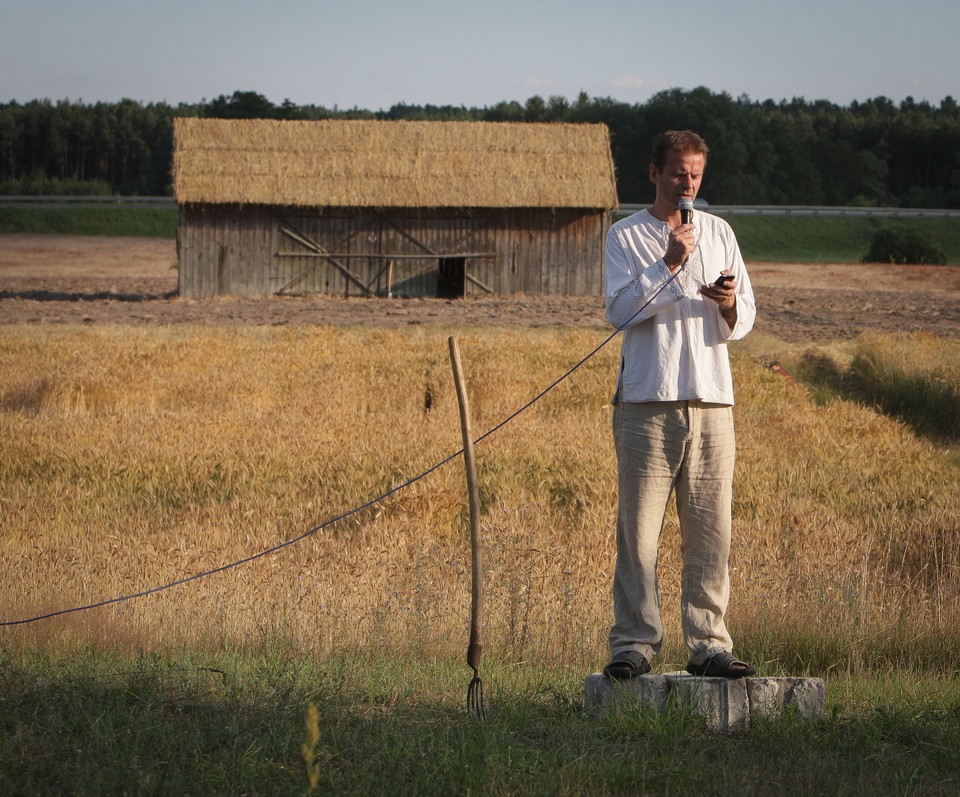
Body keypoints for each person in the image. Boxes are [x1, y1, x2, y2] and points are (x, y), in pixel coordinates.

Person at [602, 129, 757, 680]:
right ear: (654, 173)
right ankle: (634, 644)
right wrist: (668, 263)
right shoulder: (626, 236)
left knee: (711, 530)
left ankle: (709, 644)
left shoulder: (719, 232)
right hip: (648, 400)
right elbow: (618, 312)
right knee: (639, 532)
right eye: (676, 173)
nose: (686, 183)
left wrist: (731, 301)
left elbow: (748, 319)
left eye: (694, 174)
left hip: (713, 400)